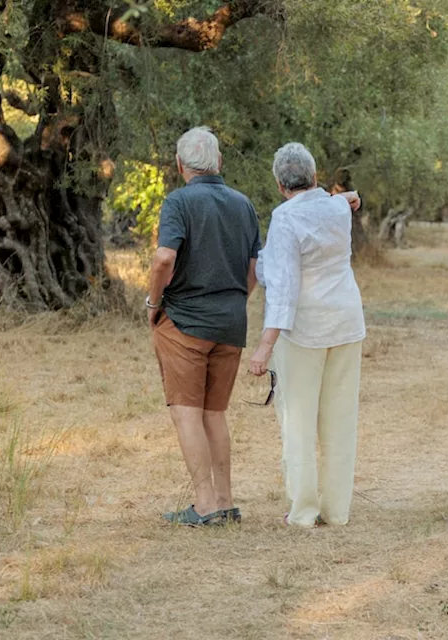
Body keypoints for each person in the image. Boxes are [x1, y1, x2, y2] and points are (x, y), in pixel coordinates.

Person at [249, 142, 367, 528]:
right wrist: (350, 196)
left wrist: (263, 347)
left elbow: (283, 289)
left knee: (298, 419)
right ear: (315, 177)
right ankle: (337, 510)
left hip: (306, 327)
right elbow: (344, 200)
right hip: (347, 320)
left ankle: (303, 510)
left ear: (280, 185)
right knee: (340, 417)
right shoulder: (337, 207)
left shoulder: (285, 219)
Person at [147, 126, 260, 527]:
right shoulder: (243, 204)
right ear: (219, 163)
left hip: (186, 323)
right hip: (231, 324)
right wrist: (234, 302)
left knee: (187, 414)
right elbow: (253, 270)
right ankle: (225, 501)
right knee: (215, 414)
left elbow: (163, 259)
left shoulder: (179, 202)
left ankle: (205, 505)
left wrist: (153, 302)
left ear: (181, 165)